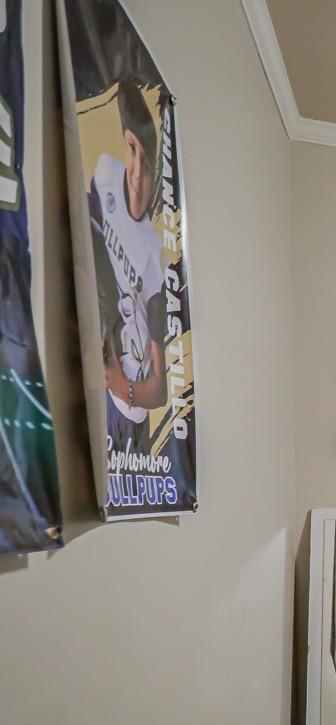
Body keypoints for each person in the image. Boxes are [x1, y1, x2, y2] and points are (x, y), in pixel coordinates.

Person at [88, 77, 166, 453]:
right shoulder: (105, 174)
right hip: (101, 370)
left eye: (147, 164)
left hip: (130, 409)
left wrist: (123, 385)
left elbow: (159, 390)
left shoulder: (153, 258)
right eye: (132, 150)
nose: (137, 172)